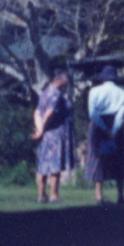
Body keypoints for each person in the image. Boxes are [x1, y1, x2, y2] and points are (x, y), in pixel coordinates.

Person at [85, 64, 124, 205]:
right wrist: (113, 131)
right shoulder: (123, 93)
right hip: (115, 125)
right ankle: (120, 196)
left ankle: (99, 197)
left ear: (103, 78)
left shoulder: (94, 91)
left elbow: (92, 113)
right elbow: (121, 115)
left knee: (98, 160)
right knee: (118, 159)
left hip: (98, 125)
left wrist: (103, 128)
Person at [32, 66, 76, 204]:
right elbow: (49, 112)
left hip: (46, 135)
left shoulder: (45, 92)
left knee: (43, 164)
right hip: (55, 134)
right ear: (61, 80)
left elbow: (37, 113)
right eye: (66, 80)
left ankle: (41, 195)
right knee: (54, 165)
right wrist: (42, 128)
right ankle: (53, 195)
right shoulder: (56, 93)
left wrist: (40, 130)